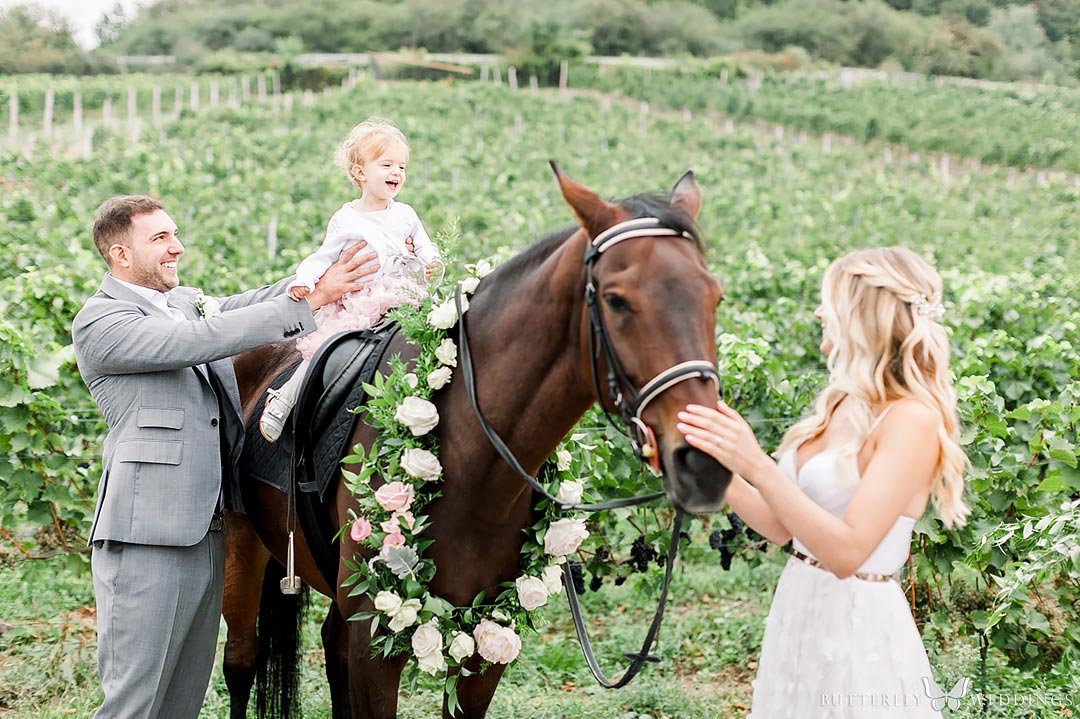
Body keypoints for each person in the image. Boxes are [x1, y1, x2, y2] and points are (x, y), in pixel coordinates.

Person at [71, 195, 378, 719]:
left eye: (174, 233)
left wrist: (322, 274)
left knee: (181, 700)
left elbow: (239, 306)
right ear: (121, 255)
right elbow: (202, 338)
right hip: (145, 538)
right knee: (135, 701)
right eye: (161, 239)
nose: (178, 247)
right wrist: (308, 305)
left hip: (204, 534)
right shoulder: (102, 323)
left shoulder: (183, 302)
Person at [676, 247, 969, 717]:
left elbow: (846, 553)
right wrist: (716, 465)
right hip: (800, 605)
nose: (817, 312)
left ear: (863, 314)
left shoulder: (911, 421)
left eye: (829, 300)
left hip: (857, 623)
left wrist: (756, 463)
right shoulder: (839, 405)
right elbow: (782, 527)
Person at [259, 117, 442, 442]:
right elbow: (323, 257)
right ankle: (285, 399)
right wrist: (305, 280)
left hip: (405, 294)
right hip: (362, 297)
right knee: (324, 347)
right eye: (386, 165)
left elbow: (425, 245)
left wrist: (431, 262)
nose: (396, 173)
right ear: (360, 173)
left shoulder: (405, 214)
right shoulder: (347, 218)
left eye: (401, 167)